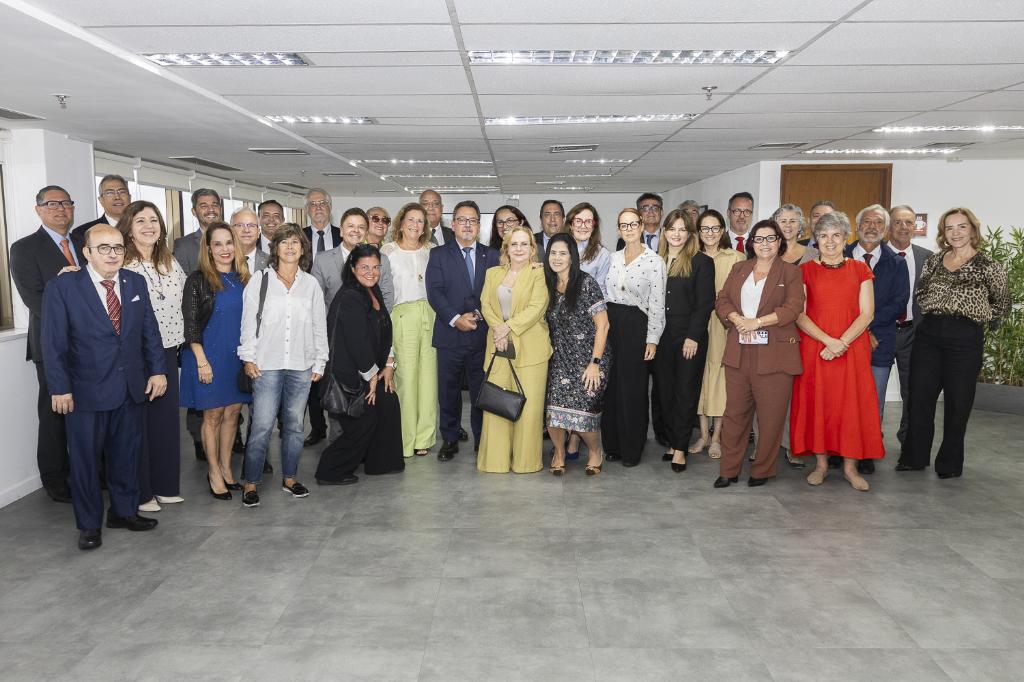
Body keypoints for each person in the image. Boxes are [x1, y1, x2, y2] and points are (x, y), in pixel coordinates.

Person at [42, 224, 166, 550]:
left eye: (118, 248)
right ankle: (88, 525)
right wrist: (59, 388)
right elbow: (53, 343)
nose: (112, 254)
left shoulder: (134, 282)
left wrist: (157, 371)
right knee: (85, 462)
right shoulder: (63, 287)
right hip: (85, 392)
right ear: (87, 252)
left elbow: (149, 330)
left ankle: (124, 512)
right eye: (104, 248)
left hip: (130, 387)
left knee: (127, 454)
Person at [897, 207, 1010, 479]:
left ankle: (949, 463)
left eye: (961, 226)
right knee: (919, 397)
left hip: (965, 338)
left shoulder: (989, 266)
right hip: (930, 334)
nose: (955, 233)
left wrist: (978, 317)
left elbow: (1002, 304)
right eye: (949, 228)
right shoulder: (935, 261)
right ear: (943, 233)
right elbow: (921, 292)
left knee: (958, 402)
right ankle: (914, 457)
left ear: (972, 229)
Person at [791, 211, 883, 491]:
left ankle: (850, 469)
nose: (829, 241)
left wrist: (841, 342)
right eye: (823, 236)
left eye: (836, 235)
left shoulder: (860, 270)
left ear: (846, 238)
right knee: (819, 404)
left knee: (851, 406)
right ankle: (821, 466)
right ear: (815, 240)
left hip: (851, 348)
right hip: (816, 347)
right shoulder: (804, 271)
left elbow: (867, 314)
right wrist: (828, 342)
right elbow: (799, 314)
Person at [238, 224, 327, 507]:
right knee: (262, 426)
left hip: (301, 364)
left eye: (295, 242)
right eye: (284, 242)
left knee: (295, 426)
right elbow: (248, 323)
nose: (290, 247)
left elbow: (319, 326)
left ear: (303, 249)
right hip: (267, 364)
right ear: (275, 248)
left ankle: (290, 478)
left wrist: (320, 361)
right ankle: (251, 482)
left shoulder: (310, 284)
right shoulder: (260, 280)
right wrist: (248, 357)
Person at [712, 220, 804, 488]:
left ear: (779, 242)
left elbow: (793, 308)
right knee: (734, 415)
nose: (765, 244)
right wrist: (735, 317)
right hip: (739, 352)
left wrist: (758, 322)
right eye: (759, 239)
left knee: (770, 417)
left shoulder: (790, 272)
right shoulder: (739, 268)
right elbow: (722, 300)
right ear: (751, 242)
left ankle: (762, 470)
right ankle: (728, 470)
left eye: (771, 238)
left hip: (775, 355)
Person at [9, 185, 85, 503]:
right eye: (51, 204)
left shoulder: (84, 243)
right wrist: (83, 322)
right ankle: (54, 477)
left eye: (66, 203)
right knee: (55, 412)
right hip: (53, 345)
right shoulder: (24, 248)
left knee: (89, 409)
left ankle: (89, 470)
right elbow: (36, 300)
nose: (60, 208)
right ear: (38, 209)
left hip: (92, 345)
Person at [119, 200, 188, 511]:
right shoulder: (122, 264)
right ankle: (142, 492)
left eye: (154, 220)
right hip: (137, 354)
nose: (149, 226)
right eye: (141, 221)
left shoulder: (169, 261)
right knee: (139, 426)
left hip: (168, 350)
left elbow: (186, 299)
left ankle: (165, 486)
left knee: (166, 422)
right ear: (129, 229)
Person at [315, 244, 404, 484]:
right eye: (364, 267)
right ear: (353, 269)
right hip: (348, 374)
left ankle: (381, 463)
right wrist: (372, 377)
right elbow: (358, 342)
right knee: (364, 422)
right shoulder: (350, 296)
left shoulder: (373, 290)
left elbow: (385, 329)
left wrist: (389, 364)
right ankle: (329, 471)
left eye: (375, 267)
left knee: (388, 402)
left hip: (369, 368)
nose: (371, 272)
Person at [309, 207, 395, 445]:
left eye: (361, 227)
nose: (355, 231)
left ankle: (360, 452)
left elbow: (385, 299)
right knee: (342, 405)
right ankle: (338, 452)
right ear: (341, 230)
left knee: (367, 407)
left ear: (366, 231)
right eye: (350, 226)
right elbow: (315, 302)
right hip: (338, 346)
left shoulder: (379, 259)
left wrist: (386, 350)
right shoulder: (323, 259)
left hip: (370, 345)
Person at [180, 222, 252, 499]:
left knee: (233, 413)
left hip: (236, 357)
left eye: (229, 242)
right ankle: (213, 472)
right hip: (206, 356)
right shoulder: (198, 279)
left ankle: (225, 467)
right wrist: (202, 361)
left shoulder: (245, 278)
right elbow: (191, 325)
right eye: (217, 244)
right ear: (208, 249)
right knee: (212, 416)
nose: (225, 249)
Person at [425, 200, 500, 460]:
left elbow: (497, 293)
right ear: (453, 224)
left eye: (472, 220)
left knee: (480, 391)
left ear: (479, 225)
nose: (467, 225)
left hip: (481, 335)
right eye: (462, 220)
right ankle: (449, 438)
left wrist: (477, 315)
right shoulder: (438, 254)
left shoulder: (492, 255)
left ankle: (482, 439)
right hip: (449, 336)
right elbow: (434, 292)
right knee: (448, 392)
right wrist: (456, 318)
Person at [477, 226, 551, 474]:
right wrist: (499, 330)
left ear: (532, 249)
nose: (519, 249)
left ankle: (525, 463)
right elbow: (485, 304)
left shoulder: (539, 273)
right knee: (496, 404)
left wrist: (506, 328)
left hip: (531, 350)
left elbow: (537, 307)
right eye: (514, 244)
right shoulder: (492, 273)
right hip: (497, 347)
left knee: (528, 411)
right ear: (506, 248)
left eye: (524, 244)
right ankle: (494, 462)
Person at [846, 204, 909, 476]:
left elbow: (899, 302)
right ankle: (839, 449)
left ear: (885, 229)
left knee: (873, 401)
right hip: (843, 340)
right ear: (857, 226)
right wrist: (857, 329)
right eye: (867, 222)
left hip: (880, 342)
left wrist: (866, 326)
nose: (872, 227)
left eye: (878, 223)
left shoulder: (896, 263)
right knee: (843, 398)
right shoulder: (841, 255)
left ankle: (866, 451)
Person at [601, 207, 665, 467]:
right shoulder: (612, 258)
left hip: (637, 325)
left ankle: (631, 448)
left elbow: (657, 304)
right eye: (623, 225)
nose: (628, 229)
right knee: (611, 387)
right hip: (611, 322)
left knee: (633, 389)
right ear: (618, 229)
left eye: (632, 224)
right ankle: (613, 445)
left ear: (641, 226)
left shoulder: (654, 261)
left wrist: (652, 339)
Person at [544, 234, 610, 476]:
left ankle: (595, 450)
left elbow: (603, 325)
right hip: (559, 359)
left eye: (563, 253)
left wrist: (595, 363)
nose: (557, 258)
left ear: (572, 257)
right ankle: (559, 452)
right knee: (554, 411)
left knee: (583, 410)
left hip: (589, 358)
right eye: (553, 253)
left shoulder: (586, 283)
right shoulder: (547, 284)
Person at [655, 209, 715, 472]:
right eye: (672, 229)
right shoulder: (656, 260)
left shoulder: (701, 262)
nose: (676, 234)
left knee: (685, 391)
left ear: (690, 233)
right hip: (661, 335)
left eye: (682, 229)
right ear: (664, 232)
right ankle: (672, 441)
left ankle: (680, 448)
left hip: (688, 336)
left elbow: (705, 304)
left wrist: (693, 336)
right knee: (665, 391)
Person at [380, 203, 437, 458]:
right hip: (402, 315)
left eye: (420, 221)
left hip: (430, 315)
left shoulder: (431, 251)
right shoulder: (388, 252)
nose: (415, 225)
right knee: (406, 378)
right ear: (401, 223)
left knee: (428, 379)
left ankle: (424, 437)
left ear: (425, 227)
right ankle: (405, 439)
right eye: (411, 219)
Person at [691, 209, 745, 460]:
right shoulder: (691, 256)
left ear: (722, 230)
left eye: (715, 228)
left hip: (725, 325)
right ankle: (703, 435)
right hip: (697, 325)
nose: (710, 233)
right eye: (705, 229)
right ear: (698, 232)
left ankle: (717, 438)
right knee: (700, 378)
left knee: (721, 380)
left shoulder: (736, 258)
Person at [887, 204, 933, 447]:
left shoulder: (928, 257)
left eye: (908, 222)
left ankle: (908, 442)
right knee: (871, 392)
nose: (903, 227)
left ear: (915, 226)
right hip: (881, 334)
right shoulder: (876, 254)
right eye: (897, 222)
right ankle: (869, 444)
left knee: (912, 391)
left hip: (914, 332)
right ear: (889, 226)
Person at [70, 174, 131, 251]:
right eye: (109, 193)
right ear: (101, 200)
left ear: (129, 197)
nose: (117, 197)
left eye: (122, 192)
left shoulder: (141, 228)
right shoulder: (83, 232)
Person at [565, 202, 611, 297]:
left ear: (594, 226)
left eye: (588, 221)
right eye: (578, 221)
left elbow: (601, 291)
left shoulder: (602, 254)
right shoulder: (557, 248)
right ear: (570, 225)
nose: (583, 226)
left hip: (588, 304)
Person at [173, 188, 223, 274]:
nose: (211, 209)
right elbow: (180, 279)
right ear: (194, 212)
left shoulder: (235, 239)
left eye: (215, 205)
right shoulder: (183, 245)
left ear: (220, 209)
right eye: (204, 206)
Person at [302, 188, 340, 265]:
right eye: (313, 204)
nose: (318, 207)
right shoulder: (300, 236)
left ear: (330, 206)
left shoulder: (343, 235)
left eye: (322, 203)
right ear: (306, 209)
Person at [232, 207, 269, 274]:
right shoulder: (220, 260)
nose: (246, 230)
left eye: (251, 225)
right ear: (231, 230)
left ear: (258, 232)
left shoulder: (272, 262)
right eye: (240, 225)